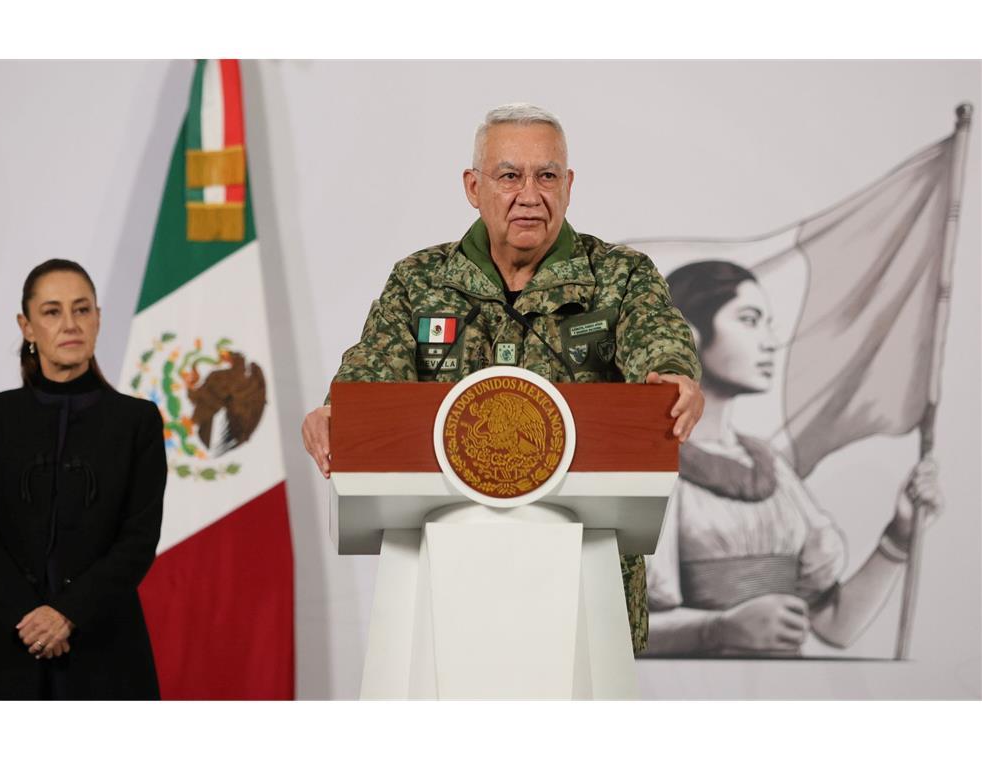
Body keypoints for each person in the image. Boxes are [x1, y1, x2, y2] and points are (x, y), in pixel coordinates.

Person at [300, 103, 704, 654]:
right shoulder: (420, 281)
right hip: (446, 578)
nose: (529, 194)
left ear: (569, 185)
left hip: (585, 584)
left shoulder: (620, 275)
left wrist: (674, 377)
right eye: (509, 175)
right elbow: (372, 373)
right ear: (473, 186)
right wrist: (336, 414)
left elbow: (657, 341)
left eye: (547, 176)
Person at [644, 260, 943, 656]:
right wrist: (717, 629)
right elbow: (615, 629)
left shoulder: (769, 467)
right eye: (749, 320)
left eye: (768, 323)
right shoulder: (651, 464)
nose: (769, 341)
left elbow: (835, 626)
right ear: (688, 337)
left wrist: (900, 536)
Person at [0, 259, 166, 699]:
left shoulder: (136, 421)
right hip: (1, 639)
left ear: (98, 318)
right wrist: (29, 616)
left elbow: (138, 539)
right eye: (52, 311)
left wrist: (67, 614)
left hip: (105, 643)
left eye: (82, 310)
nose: (70, 324)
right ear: (26, 326)